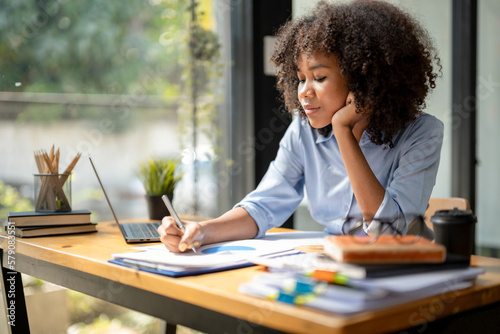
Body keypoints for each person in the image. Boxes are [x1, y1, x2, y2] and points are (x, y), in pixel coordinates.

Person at [158, 0, 444, 253]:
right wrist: (201, 231)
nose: (304, 92)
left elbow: (389, 233)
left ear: (362, 78)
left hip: (400, 274)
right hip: (334, 267)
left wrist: (343, 131)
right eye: (300, 78)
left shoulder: (421, 134)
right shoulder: (302, 130)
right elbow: (263, 206)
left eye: (319, 77)